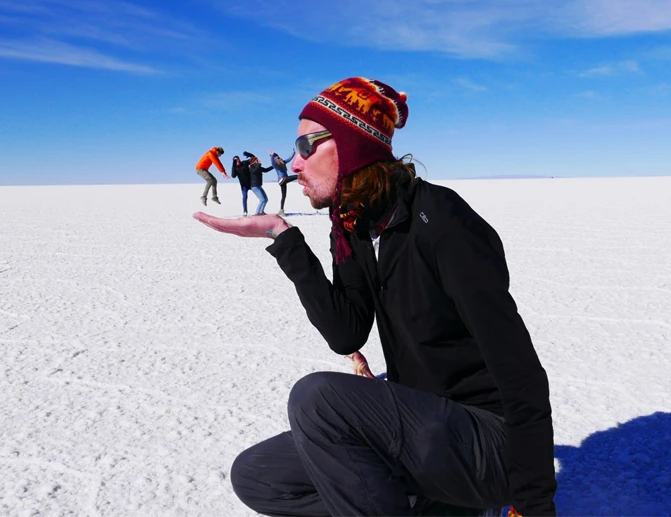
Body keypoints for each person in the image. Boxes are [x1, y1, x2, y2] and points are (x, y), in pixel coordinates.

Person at [193, 77, 557, 517]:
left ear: (351, 145)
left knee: (318, 400)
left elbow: (522, 374)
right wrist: (283, 238)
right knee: (259, 476)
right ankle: (426, 504)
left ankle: (455, 502)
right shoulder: (354, 226)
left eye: (306, 146)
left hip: (486, 440)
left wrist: (533, 506)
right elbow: (346, 332)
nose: (294, 164)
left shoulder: (441, 222)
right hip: (426, 429)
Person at [269, 149, 298, 217]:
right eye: (277, 158)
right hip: (282, 179)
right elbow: (272, 162)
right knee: (297, 176)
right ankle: (305, 177)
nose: (279, 158)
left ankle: (281, 210)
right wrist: (272, 155)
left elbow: (289, 158)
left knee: (284, 196)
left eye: (279, 157)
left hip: (284, 180)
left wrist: (293, 152)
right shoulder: (275, 165)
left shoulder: (283, 163)